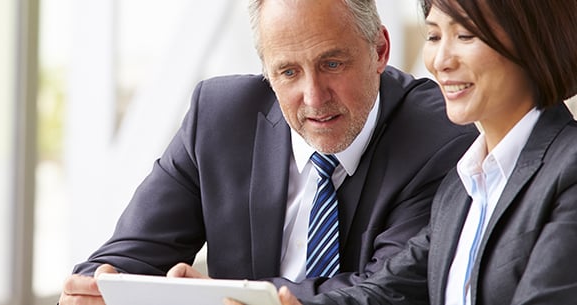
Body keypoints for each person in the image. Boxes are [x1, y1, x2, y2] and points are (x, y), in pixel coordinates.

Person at [59, 0, 477, 304]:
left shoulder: (441, 133)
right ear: (267, 73)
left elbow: (391, 290)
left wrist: (222, 298)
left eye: (332, 64)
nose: (314, 97)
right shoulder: (219, 117)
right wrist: (97, 286)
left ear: (379, 50)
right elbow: (129, 257)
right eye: (288, 71)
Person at [244, 0, 577, 304]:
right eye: (433, 36)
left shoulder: (568, 171)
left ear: (533, 41)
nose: (441, 61)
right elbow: (388, 291)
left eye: (465, 36)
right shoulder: (464, 186)